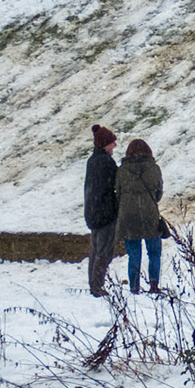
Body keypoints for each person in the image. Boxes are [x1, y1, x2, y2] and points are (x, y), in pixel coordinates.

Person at [116, 138, 164, 295]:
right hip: (149, 215)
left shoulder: (122, 171)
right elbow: (158, 193)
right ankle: (154, 284)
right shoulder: (154, 169)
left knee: (134, 254)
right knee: (154, 252)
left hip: (128, 217)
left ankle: (134, 286)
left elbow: (118, 193)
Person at [83, 124, 119, 297]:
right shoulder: (105, 162)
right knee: (104, 252)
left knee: (95, 251)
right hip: (104, 214)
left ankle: (93, 284)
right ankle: (97, 286)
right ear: (105, 144)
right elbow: (116, 182)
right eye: (112, 142)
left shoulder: (92, 160)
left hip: (93, 212)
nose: (115, 146)